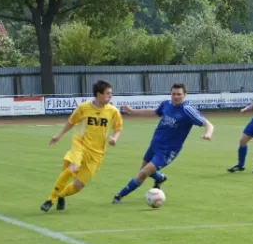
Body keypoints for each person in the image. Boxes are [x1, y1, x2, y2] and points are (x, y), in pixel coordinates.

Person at [112, 83, 214, 203]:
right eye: (173, 94)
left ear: (185, 95)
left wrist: (208, 133)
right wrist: (133, 111)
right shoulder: (167, 104)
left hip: (167, 151)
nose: (175, 97)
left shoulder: (187, 110)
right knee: (143, 170)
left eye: (179, 94)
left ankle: (119, 196)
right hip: (154, 145)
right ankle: (159, 178)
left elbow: (208, 124)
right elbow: (154, 112)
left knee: (143, 174)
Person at [40, 80, 122, 212]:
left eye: (111, 93)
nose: (110, 96)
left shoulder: (113, 111)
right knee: (72, 168)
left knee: (78, 186)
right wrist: (59, 135)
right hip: (80, 144)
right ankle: (50, 199)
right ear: (99, 94)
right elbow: (71, 122)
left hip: (97, 153)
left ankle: (61, 195)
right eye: (108, 93)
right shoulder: (83, 108)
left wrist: (114, 138)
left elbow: (118, 128)